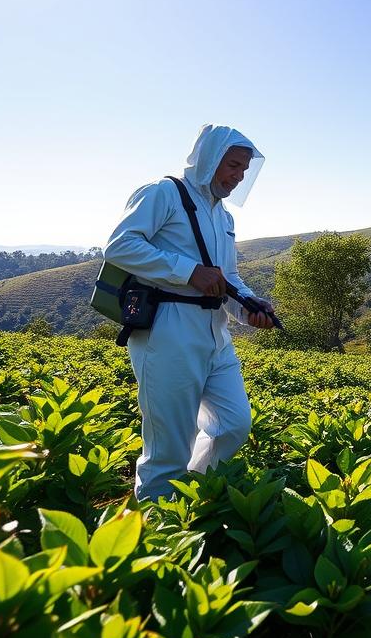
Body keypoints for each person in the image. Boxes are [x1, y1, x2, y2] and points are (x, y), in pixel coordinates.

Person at [104, 124, 275, 501]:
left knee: (233, 424)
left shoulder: (223, 216)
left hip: (214, 333)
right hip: (167, 330)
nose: (238, 176)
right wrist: (188, 272)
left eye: (244, 171)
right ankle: (155, 528)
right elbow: (120, 247)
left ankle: (190, 493)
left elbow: (227, 279)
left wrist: (251, 308)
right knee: (168, 448)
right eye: (232, 165)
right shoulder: (163, 194)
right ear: (210, 159)